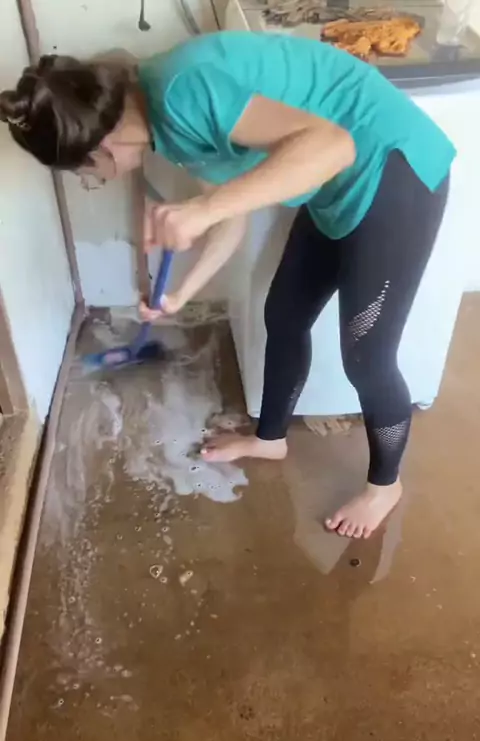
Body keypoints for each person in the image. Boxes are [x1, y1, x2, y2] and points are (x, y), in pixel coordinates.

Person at [0, 32, 455, 538]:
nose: (96, 181)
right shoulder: (164, 126)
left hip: (393, 166)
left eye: (85, 174)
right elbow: (230, 216)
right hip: (333, 182)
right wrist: (181, 293)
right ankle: (271, 438)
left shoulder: (182, 90)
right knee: (284, 314)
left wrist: (202, 209)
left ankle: (384, 486)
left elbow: (333, 145)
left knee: (367, 355)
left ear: (100, 147)